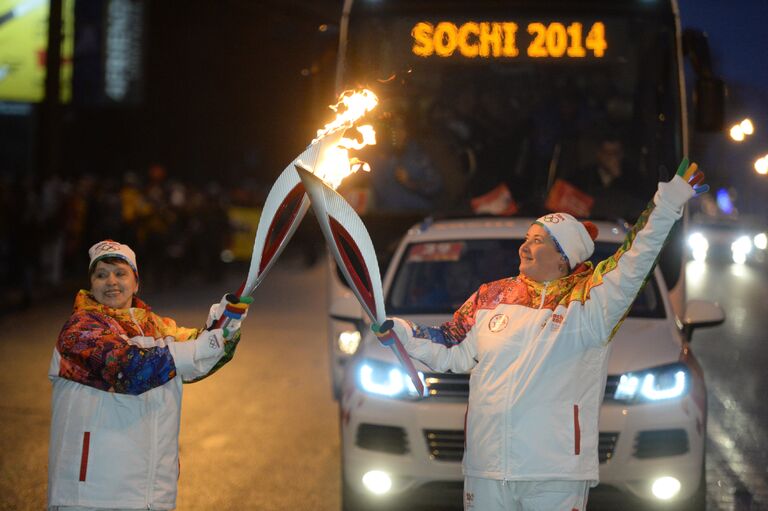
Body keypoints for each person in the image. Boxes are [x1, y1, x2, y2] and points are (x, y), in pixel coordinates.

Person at [374, 162, 707, 510]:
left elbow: (635, 259)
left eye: (537, 241)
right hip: (487, 470)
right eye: (526, 239)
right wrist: (400, 331)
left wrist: (667, 203)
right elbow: (450, 344)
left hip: (554, 474)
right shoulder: (493, 296)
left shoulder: (589, 305)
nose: (524, 247)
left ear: (564, 258)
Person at [47, 240, 251, 510]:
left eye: (120, 273)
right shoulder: (80, 330)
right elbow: (129, 370)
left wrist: (225, 325)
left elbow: (201, 356)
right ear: (91, 283)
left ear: (136, 282)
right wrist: (197, 348)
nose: (111, 281)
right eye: (101, 274)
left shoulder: (157, 327)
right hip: (91, 495)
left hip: (152, 495)